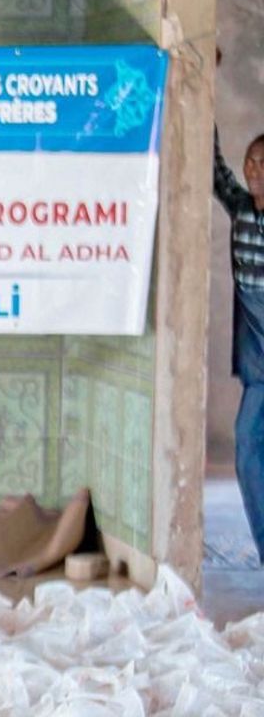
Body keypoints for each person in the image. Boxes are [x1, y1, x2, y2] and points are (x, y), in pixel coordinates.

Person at [214, 49, 264, 564]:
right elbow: (213, 168)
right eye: (250, 161)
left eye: (263, 163)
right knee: (248, 452)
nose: (253, 170)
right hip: (258, 370)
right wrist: (201, 81)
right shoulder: (242, 210)